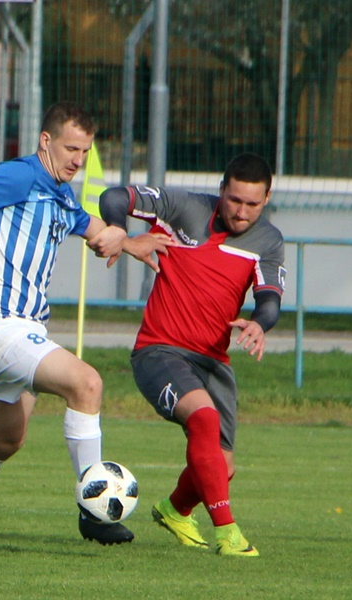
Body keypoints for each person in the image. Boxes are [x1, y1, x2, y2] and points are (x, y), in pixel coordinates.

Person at [0, 101, 140, 547]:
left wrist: (130, 241)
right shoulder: (20, 175)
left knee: (5, 440)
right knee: (87, 384)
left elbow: (94, 229)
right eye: (70, 148)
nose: (77, 159)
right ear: (45, 141)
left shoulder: (61, 195)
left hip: (22, 330)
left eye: (85, 152)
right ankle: (94, 513)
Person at [98, 152, 285, 557]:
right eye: (234, 200)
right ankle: (228, 534)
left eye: (252, 204)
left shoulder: (268, 242)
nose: (241, 212)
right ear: (221, 190)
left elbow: (269, 300)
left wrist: (259, 323)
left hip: (213, 363)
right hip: (159, 351)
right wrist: (119, 233)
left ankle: (175, 510)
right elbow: (114, 197)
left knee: (222, 467)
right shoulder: (184, 208)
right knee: (203, 418)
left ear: (267, 198)